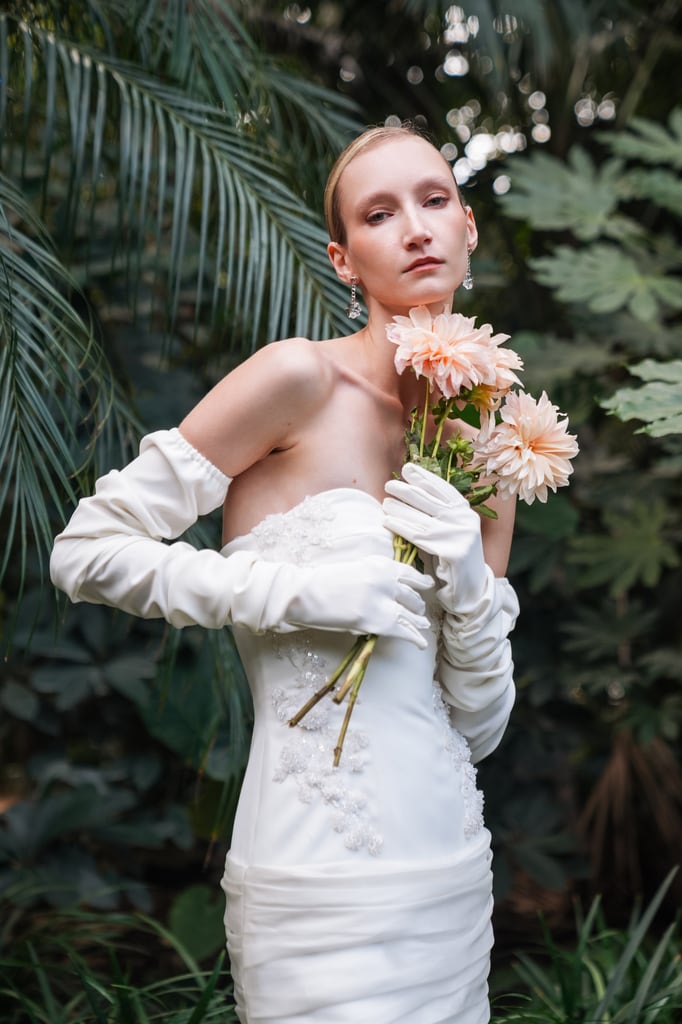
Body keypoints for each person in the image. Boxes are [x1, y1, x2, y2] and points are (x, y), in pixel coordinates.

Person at [50, 124, 518, 1023]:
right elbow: (87, 550)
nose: (415, 228)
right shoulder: (297, 379)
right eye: (379, 214)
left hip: (451, 874)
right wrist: (299, 595)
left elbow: (478, 725)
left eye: (434, 200)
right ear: (343, 260)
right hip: (315, 875)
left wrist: (467, 587)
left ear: (467, 227)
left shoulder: (484, 447)